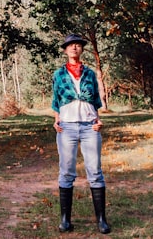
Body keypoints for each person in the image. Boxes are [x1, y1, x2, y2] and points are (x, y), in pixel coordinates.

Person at [51, 33, 110, 234]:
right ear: (65, 50)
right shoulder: (58, 75)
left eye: (77, 45)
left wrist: (98, 119)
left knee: (95, 171)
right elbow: (56, 100)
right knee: (67, 171)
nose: (74, 48)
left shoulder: (90, 74)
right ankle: (65, 220)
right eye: (70, 45)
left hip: (89, 127)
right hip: (66, 127)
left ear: (81, 49)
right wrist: (55, 118)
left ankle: (101, 220)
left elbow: (95, 100)